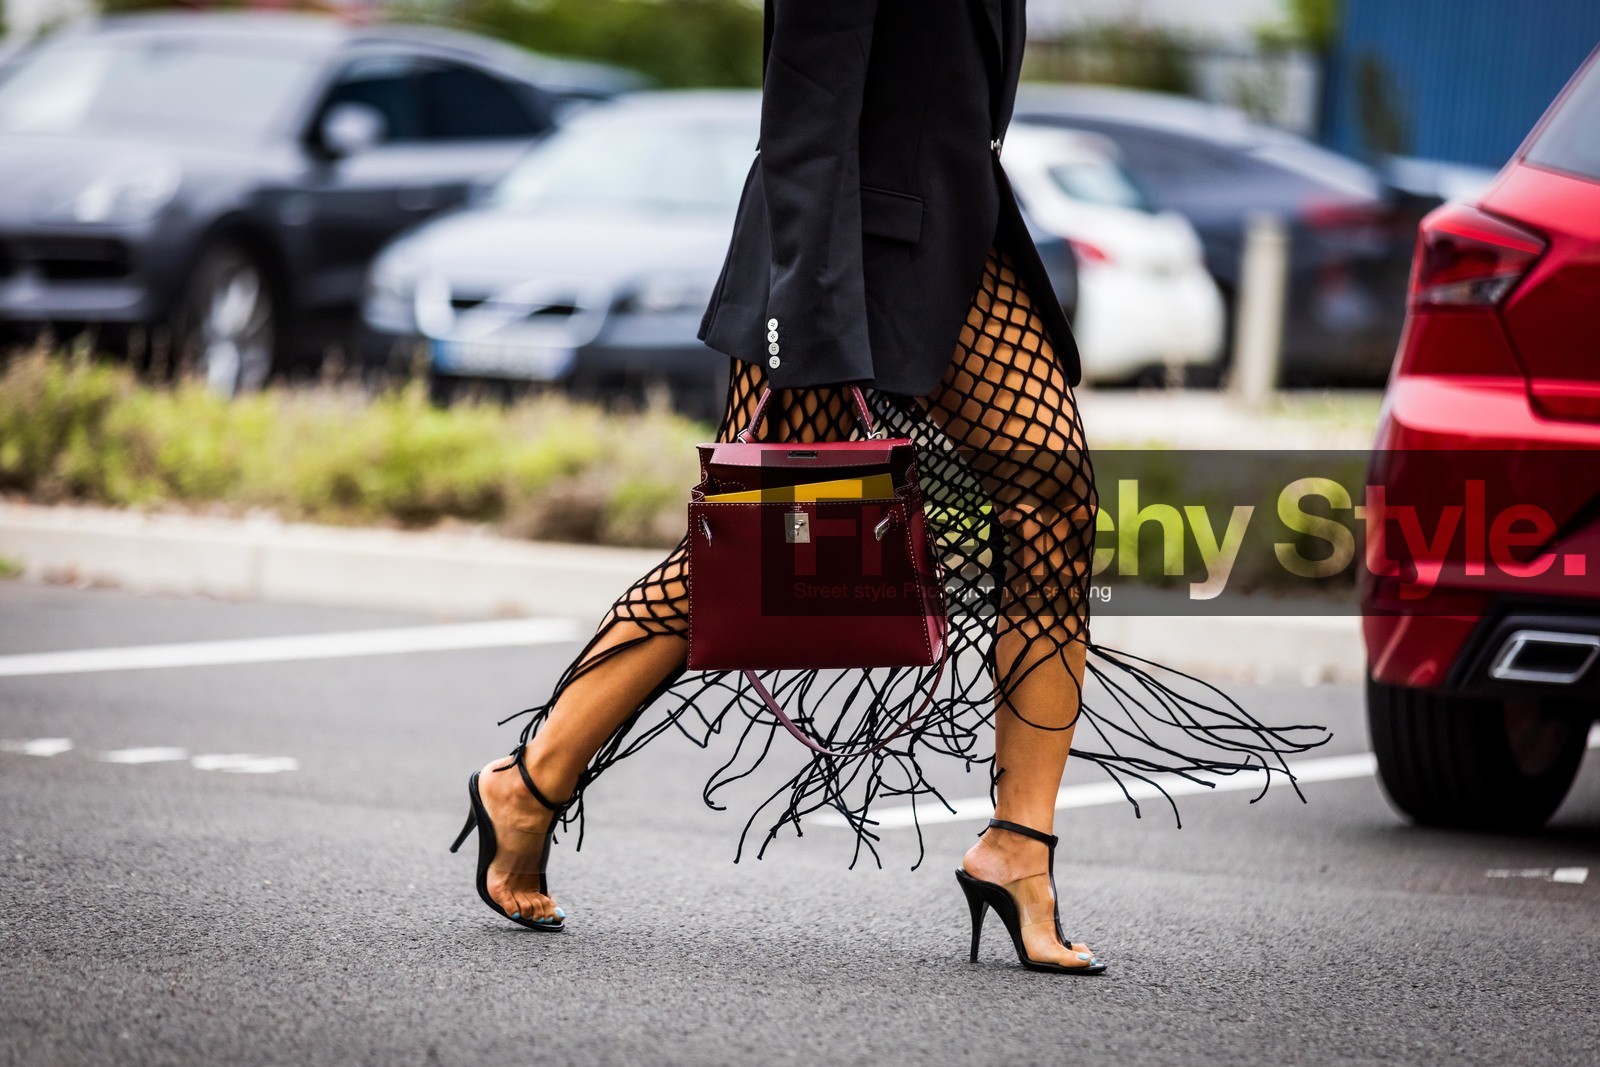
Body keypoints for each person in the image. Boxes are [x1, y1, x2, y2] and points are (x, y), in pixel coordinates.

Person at [450, 0, 1326, 975]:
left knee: (1055, 494)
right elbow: (807, 107)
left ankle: (1017, 849)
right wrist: (810, 322)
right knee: (761, 546)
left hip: (959, 229)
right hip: (841, 249)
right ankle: (531, 781)